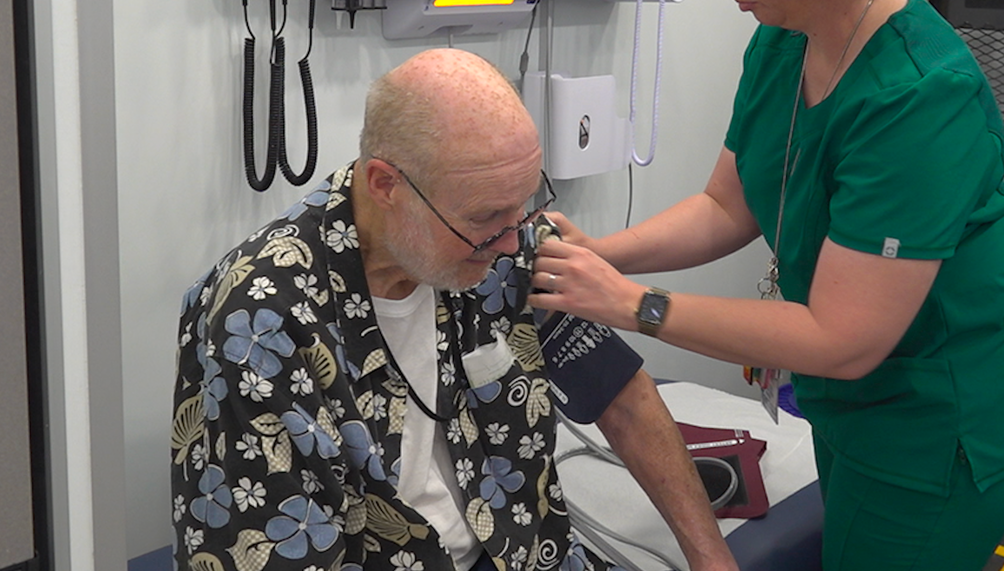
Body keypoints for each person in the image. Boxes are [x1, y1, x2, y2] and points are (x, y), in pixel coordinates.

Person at [526, 0, 1004, 569]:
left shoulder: (918, 96)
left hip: (950, 410)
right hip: (853, 397)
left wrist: (632, 305)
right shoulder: (787, 38)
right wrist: (596, 254)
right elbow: (728, 206)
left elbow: (842, 339)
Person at [172, 49, 738, 571]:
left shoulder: (510, 245)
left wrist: (713, 561)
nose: (514, 241)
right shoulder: (264, 319)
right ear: (385, 184)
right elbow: (278, 548)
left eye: (523, 204)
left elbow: (625, 401)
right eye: (484, 218)